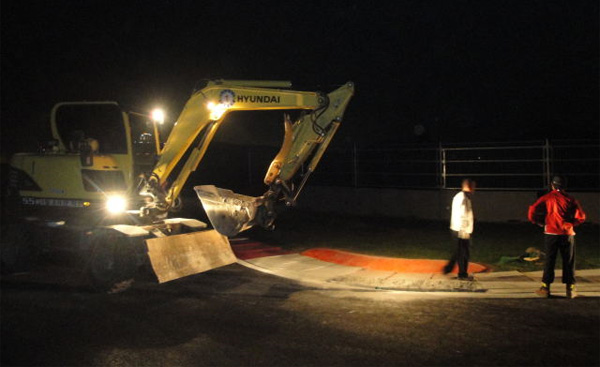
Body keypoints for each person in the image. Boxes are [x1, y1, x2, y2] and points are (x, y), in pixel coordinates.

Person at [528, 176, 586, 298]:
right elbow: (581, 217)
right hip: (567, 234)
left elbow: (532, 210)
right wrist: (571, 224)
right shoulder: (571, 199)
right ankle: (570, 289)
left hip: (551, 233)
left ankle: (545, 287)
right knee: (569, 261)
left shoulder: (547, 197)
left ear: (552, 185)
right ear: (565, 186)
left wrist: (538, 222)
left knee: (550, 260)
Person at [443, 178, 476, 280]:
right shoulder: (464, 198)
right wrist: (464, 231)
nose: (475, 189)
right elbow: (463, 215)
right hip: (461, 230)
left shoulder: (460, 196)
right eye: (473, 186)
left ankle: (449, 268)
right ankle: (461, 273)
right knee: (463, 253)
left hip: (458, 229)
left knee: (460, 251)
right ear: (469, 187)